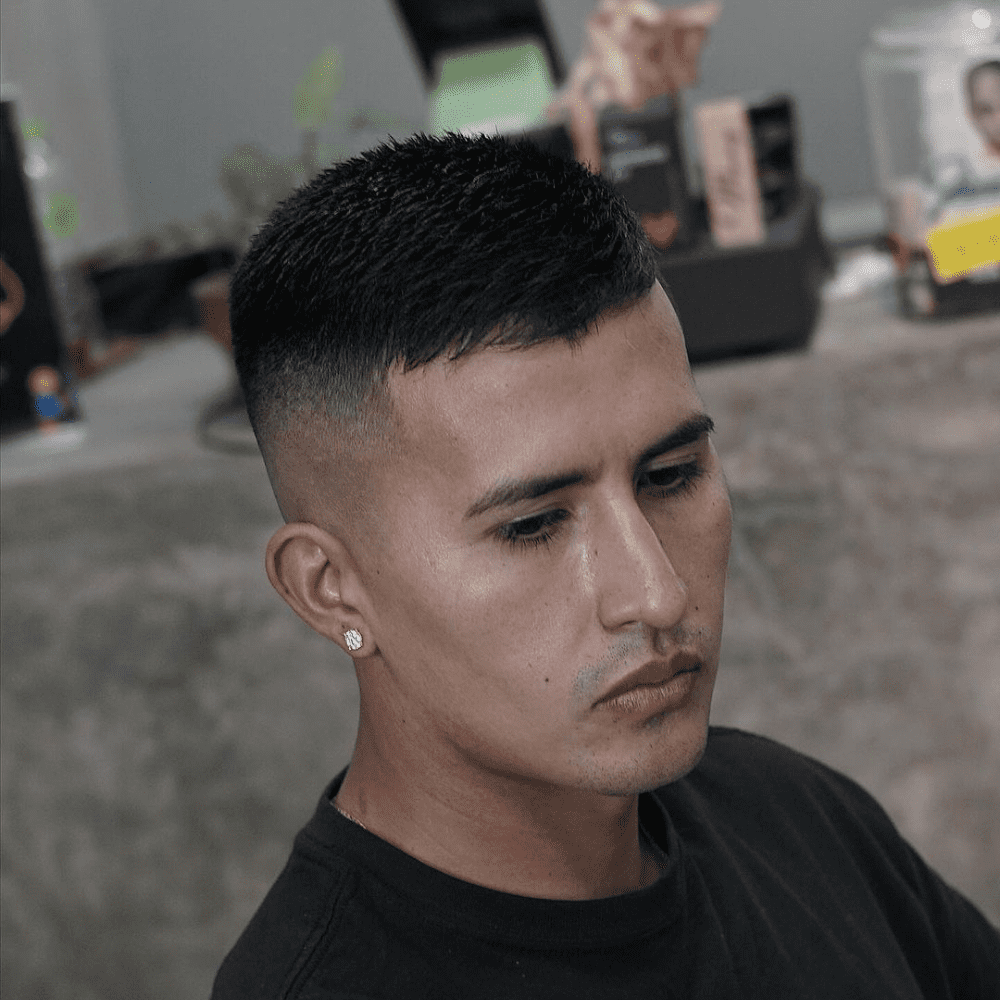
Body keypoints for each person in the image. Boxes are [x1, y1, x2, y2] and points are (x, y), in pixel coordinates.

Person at [212, 131, 999, 998]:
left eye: (671, 476)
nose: (655, 594)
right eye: (532, 526)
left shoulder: (791, 815)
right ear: (329, 590)